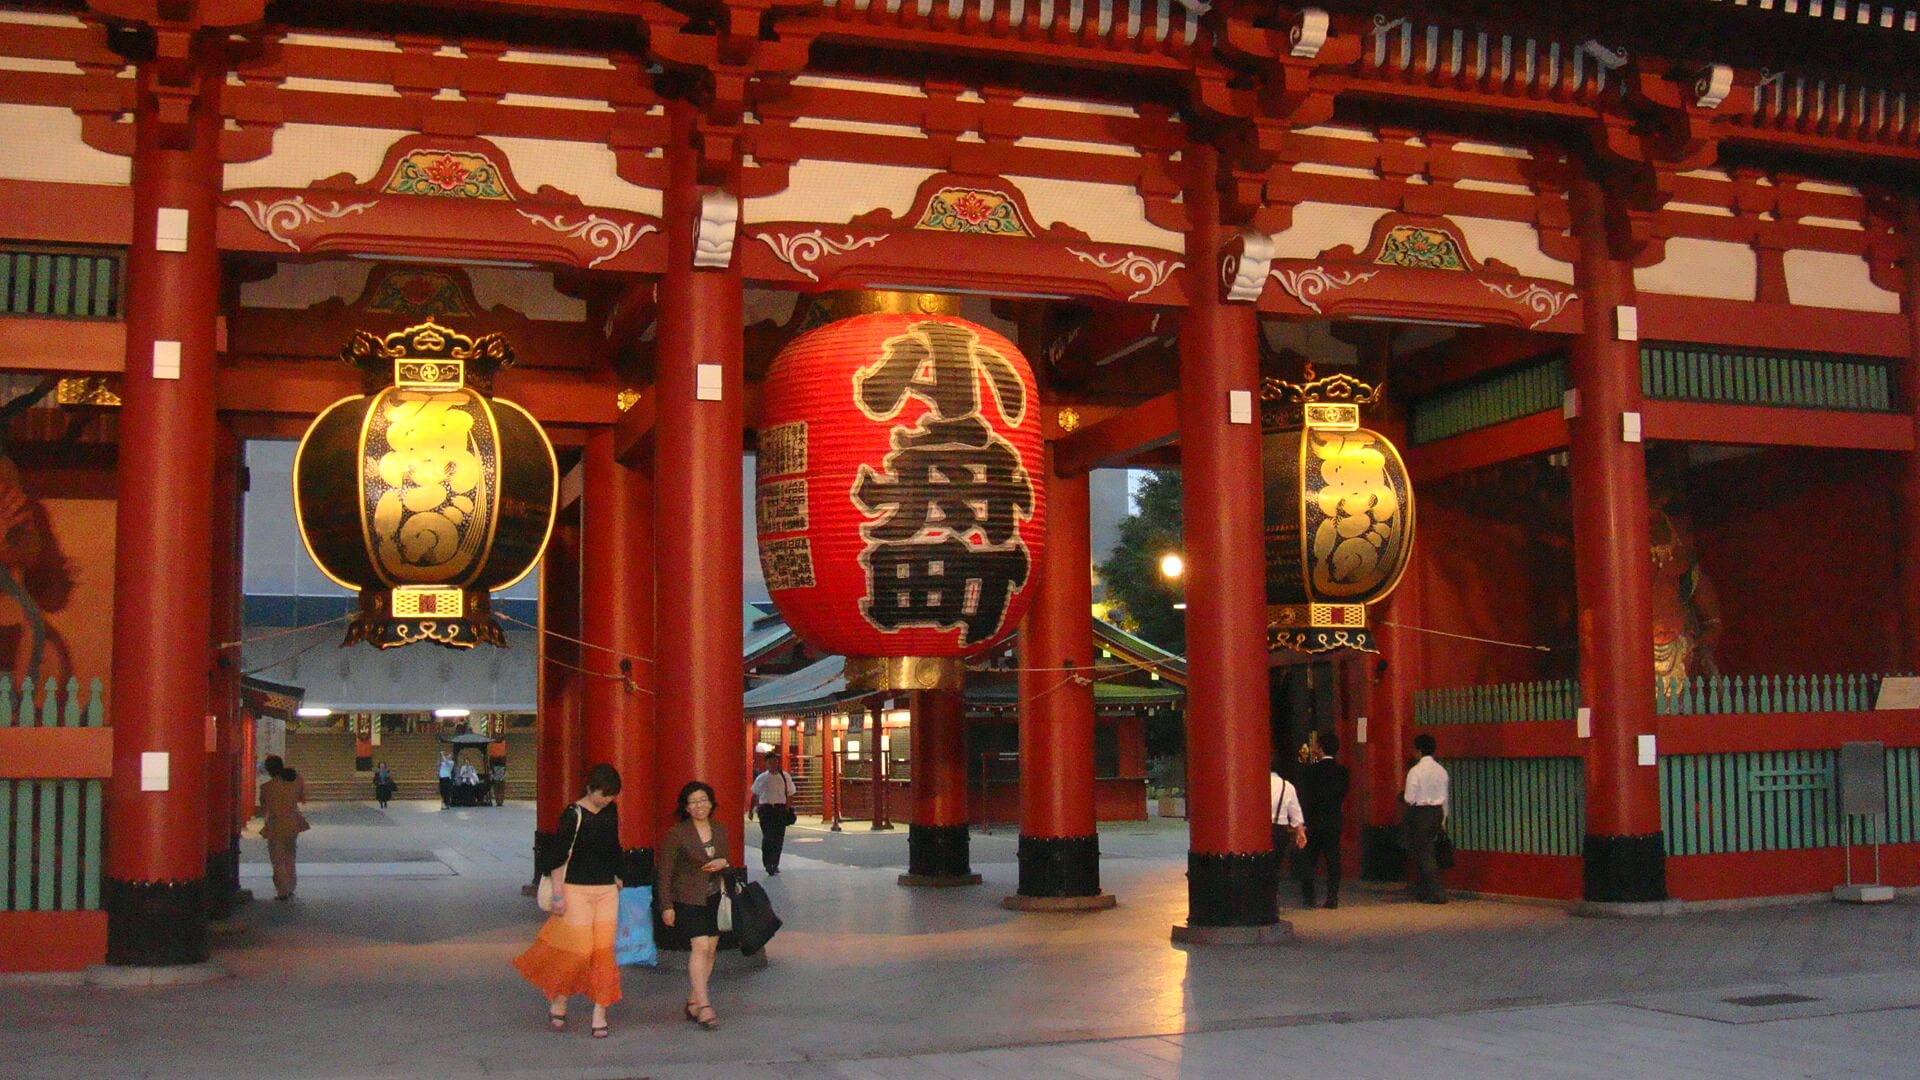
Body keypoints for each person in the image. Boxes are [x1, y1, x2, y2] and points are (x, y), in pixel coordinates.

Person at [513, 763, 625, 1039]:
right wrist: (558, 895)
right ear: (589, 789)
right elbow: (557, 856)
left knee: (603, 952)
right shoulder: (573, 814)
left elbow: (613, 846)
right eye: (603, 794)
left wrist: (617, 874)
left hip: (606, 889)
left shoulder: (610, 811)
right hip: (575, 888)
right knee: (578, 950)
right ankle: (560, 997)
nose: (607, 800)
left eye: (611, 795)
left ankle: (600, 1011)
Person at [659, 780, 730, 1031]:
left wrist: (723, 862)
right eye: (693, 802)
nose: (699, 806)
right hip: (688, 897)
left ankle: (693, 1000)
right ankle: (705, 1005)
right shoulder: (677, 833)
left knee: (711, 949)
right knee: (700, 946)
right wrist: (666, 905)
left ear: (711, 803)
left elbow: (727, 859)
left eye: (703, 800)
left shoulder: (719, 829)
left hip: (714, 896)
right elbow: (665, 872)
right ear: (686, 807)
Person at [1294, 731, 1351, 909]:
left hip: (1314, 820)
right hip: (1333, 819)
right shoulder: (1342, 772)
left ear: (1320, 749)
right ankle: (1332, 896)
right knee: (1333, 859)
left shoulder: (1310, 771)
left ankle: (1309, 897)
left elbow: (1305, 797)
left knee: (1309, 860)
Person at [1404, 733, 1451, 904]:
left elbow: (1409, 798)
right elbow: (1445, 797)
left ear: (1419, 750)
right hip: (1437, 812)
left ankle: (1436, 892)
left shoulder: (1415, 771)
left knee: (1424, 853)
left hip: (1421, 813)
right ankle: (1424, 891)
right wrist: (1443, 820)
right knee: (1427, 849)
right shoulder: (1441, 771)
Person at [258, 755, 308, 902]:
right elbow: (302, 798)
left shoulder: (266, 788)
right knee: (290, 855)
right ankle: (291, 885)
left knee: (277, 859)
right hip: (293, 822)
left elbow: (264, 807)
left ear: (268, 770)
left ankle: (282, 889)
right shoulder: (297, 780)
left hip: (275, 824)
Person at [748, 752, 797, 876]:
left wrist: (787, 809)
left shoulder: (785, 776)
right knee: (768, 837)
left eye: (775, 762)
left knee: (779, 838)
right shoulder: (762, 778)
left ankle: (775, 863)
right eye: (770, 762)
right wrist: (751, 810)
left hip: (780, 809)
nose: (773, 765)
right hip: (766, 809)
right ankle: (767, 863)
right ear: (766, 763)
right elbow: (755, 795)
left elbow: (790, 794)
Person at [1269, 755, 1307, 903]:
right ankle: (1272, 898)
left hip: (1259, 830)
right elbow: (1295, 813)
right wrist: (1300, 832)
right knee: (1274, 867)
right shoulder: (1287, 786)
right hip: (1279, 830)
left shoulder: (1255, 784)